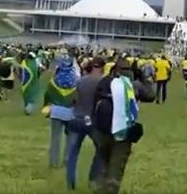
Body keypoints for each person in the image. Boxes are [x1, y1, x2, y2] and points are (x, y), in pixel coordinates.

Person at [92, 58, 155, 194]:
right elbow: (151, 95)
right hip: (123, 132)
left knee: (103, 162)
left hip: (102, 130)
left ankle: (98, 187)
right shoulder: (133, 85)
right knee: (116, 168)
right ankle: (110, 190)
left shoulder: (104, 82)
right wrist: (142, 77)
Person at [66, 57, 105, 191]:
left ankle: (70, 182)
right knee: (101, 150)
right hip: (93, 121)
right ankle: (94, 179)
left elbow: (74, 100)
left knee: (73, 152)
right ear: (101, 67)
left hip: (77, 118)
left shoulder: (81, 80)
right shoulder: (102, 82)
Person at [44, 57, 77, 168]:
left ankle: (53, 162)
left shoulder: (54, 81)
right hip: (71, 114)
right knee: (71, 138)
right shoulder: (76, 81)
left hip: (56, 112)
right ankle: (67, 160)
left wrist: (46, 106)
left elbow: (47, 95)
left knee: (55, 138)